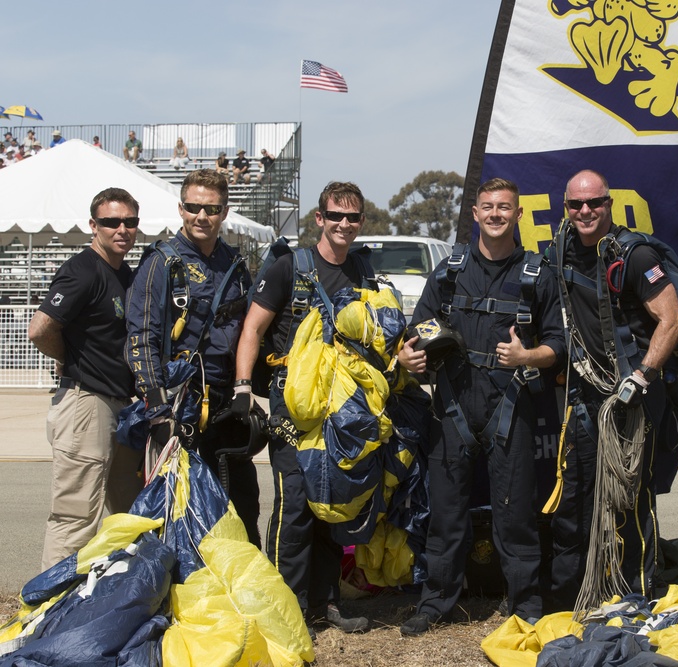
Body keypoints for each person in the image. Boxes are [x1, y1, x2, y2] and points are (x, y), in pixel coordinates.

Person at [397, 177, 565, 635]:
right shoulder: (449, 271)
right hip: (452, 409)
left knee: (516, 518)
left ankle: (526, 603)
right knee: (446, 515)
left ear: (518, 214)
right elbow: (416, 334)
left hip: (511, 411)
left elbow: (558, 344)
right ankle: (436, 603)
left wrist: (528, 356)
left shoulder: (537, 274)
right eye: (488, 207)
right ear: (475, 213)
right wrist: (408, 356)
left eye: (504, 207)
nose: (495, 214)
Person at [235, 181, 373, 634]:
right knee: (295, 502)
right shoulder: (286, 268)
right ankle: (286, 606)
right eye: (336, 216)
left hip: (342, 407)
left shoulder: (362, 271)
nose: (344, 225)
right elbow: (253, 329)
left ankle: (324, 602)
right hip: (291, 405)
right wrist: (242, 388)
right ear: (320, 219)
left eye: (352, 218)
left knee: (330, 501)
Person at [547, 169, 678, 611]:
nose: (585, 212)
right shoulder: (561, 251)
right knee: (582, 493)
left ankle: (635, 593)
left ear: (609, 204)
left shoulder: (636, 255)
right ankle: (588, 590)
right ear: (565, 208)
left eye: (594, 203)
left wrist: (641, 376)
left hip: (632, 398)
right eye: (576, 205)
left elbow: (672, 321)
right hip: (587, 397)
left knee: (629, 497)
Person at [125, 169, 260, 544]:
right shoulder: (162, 263)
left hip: (226, 405)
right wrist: (157, 408)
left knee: (241, 505)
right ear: (181, 209)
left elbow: (252, 330)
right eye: (194, 207)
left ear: (224, 212)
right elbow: (141, 338)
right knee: (177, 514)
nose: (202, 216)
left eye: (211, 209)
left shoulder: (234, 263)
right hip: (177, 406)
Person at [28, 187, 145, 569]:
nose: (121, 229)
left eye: (129, 222)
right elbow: (40, 328)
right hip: (86, 403)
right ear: (93, 225)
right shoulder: (83, 270)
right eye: (111, 222)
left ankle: (103, 603)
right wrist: (69, 359)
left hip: (119, 406)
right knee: (76, 517)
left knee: (125, 515)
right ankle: (49, 612)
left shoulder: (125, 273)